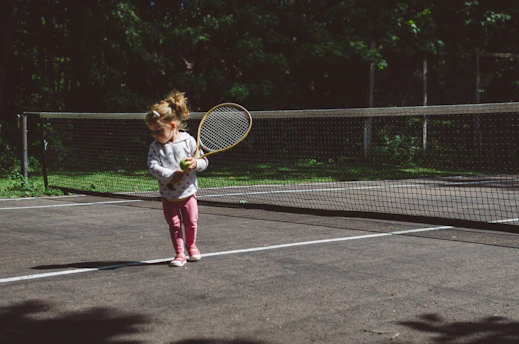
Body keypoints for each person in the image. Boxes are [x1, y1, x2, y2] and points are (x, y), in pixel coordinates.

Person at [145, 90, 208, 267]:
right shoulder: (155, 147)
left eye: (158, 131)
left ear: (173, 126)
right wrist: (171, 175)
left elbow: (204, 162)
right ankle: (179, 254)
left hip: (188, 193)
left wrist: (195, 163)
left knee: (191, 223)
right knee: (174, 225)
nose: (155, 135)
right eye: (153, 132)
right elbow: (152, 167)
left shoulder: (188, 141)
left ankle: (191, 245)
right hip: (168, 196)